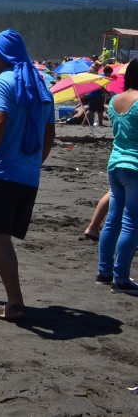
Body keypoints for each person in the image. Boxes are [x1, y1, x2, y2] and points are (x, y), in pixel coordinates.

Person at [0, 29, 55, 321]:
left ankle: (15, 304)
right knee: (1, 234)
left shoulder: (1, 83)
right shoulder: (41, 86)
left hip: (0, 172)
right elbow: (49, 134)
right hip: (28, 176)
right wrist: (32, 163)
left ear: (1, 56)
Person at [97, 59, 138, 294]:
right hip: (135, 166)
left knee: (113, 220)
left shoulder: (114, 101)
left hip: (116, 164)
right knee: (131, 223)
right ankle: (121, 277)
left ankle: (104, 272)